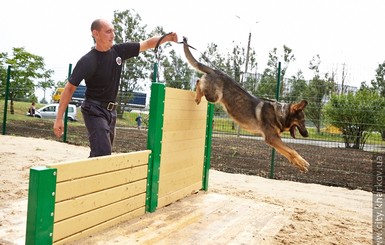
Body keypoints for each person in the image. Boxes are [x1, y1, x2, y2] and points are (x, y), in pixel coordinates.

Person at [53, 19, 178, 157]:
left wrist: (167, 38)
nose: (113, 35)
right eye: (108, 31)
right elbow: (69, 88)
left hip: (111, 112)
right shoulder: (88, 61)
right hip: (93, 110)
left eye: (113, 31)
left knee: (102, 154)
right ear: (96, 33)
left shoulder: (119, 51)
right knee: (103, 152)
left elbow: (147, 44)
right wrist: (59, 118)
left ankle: (90, 176)